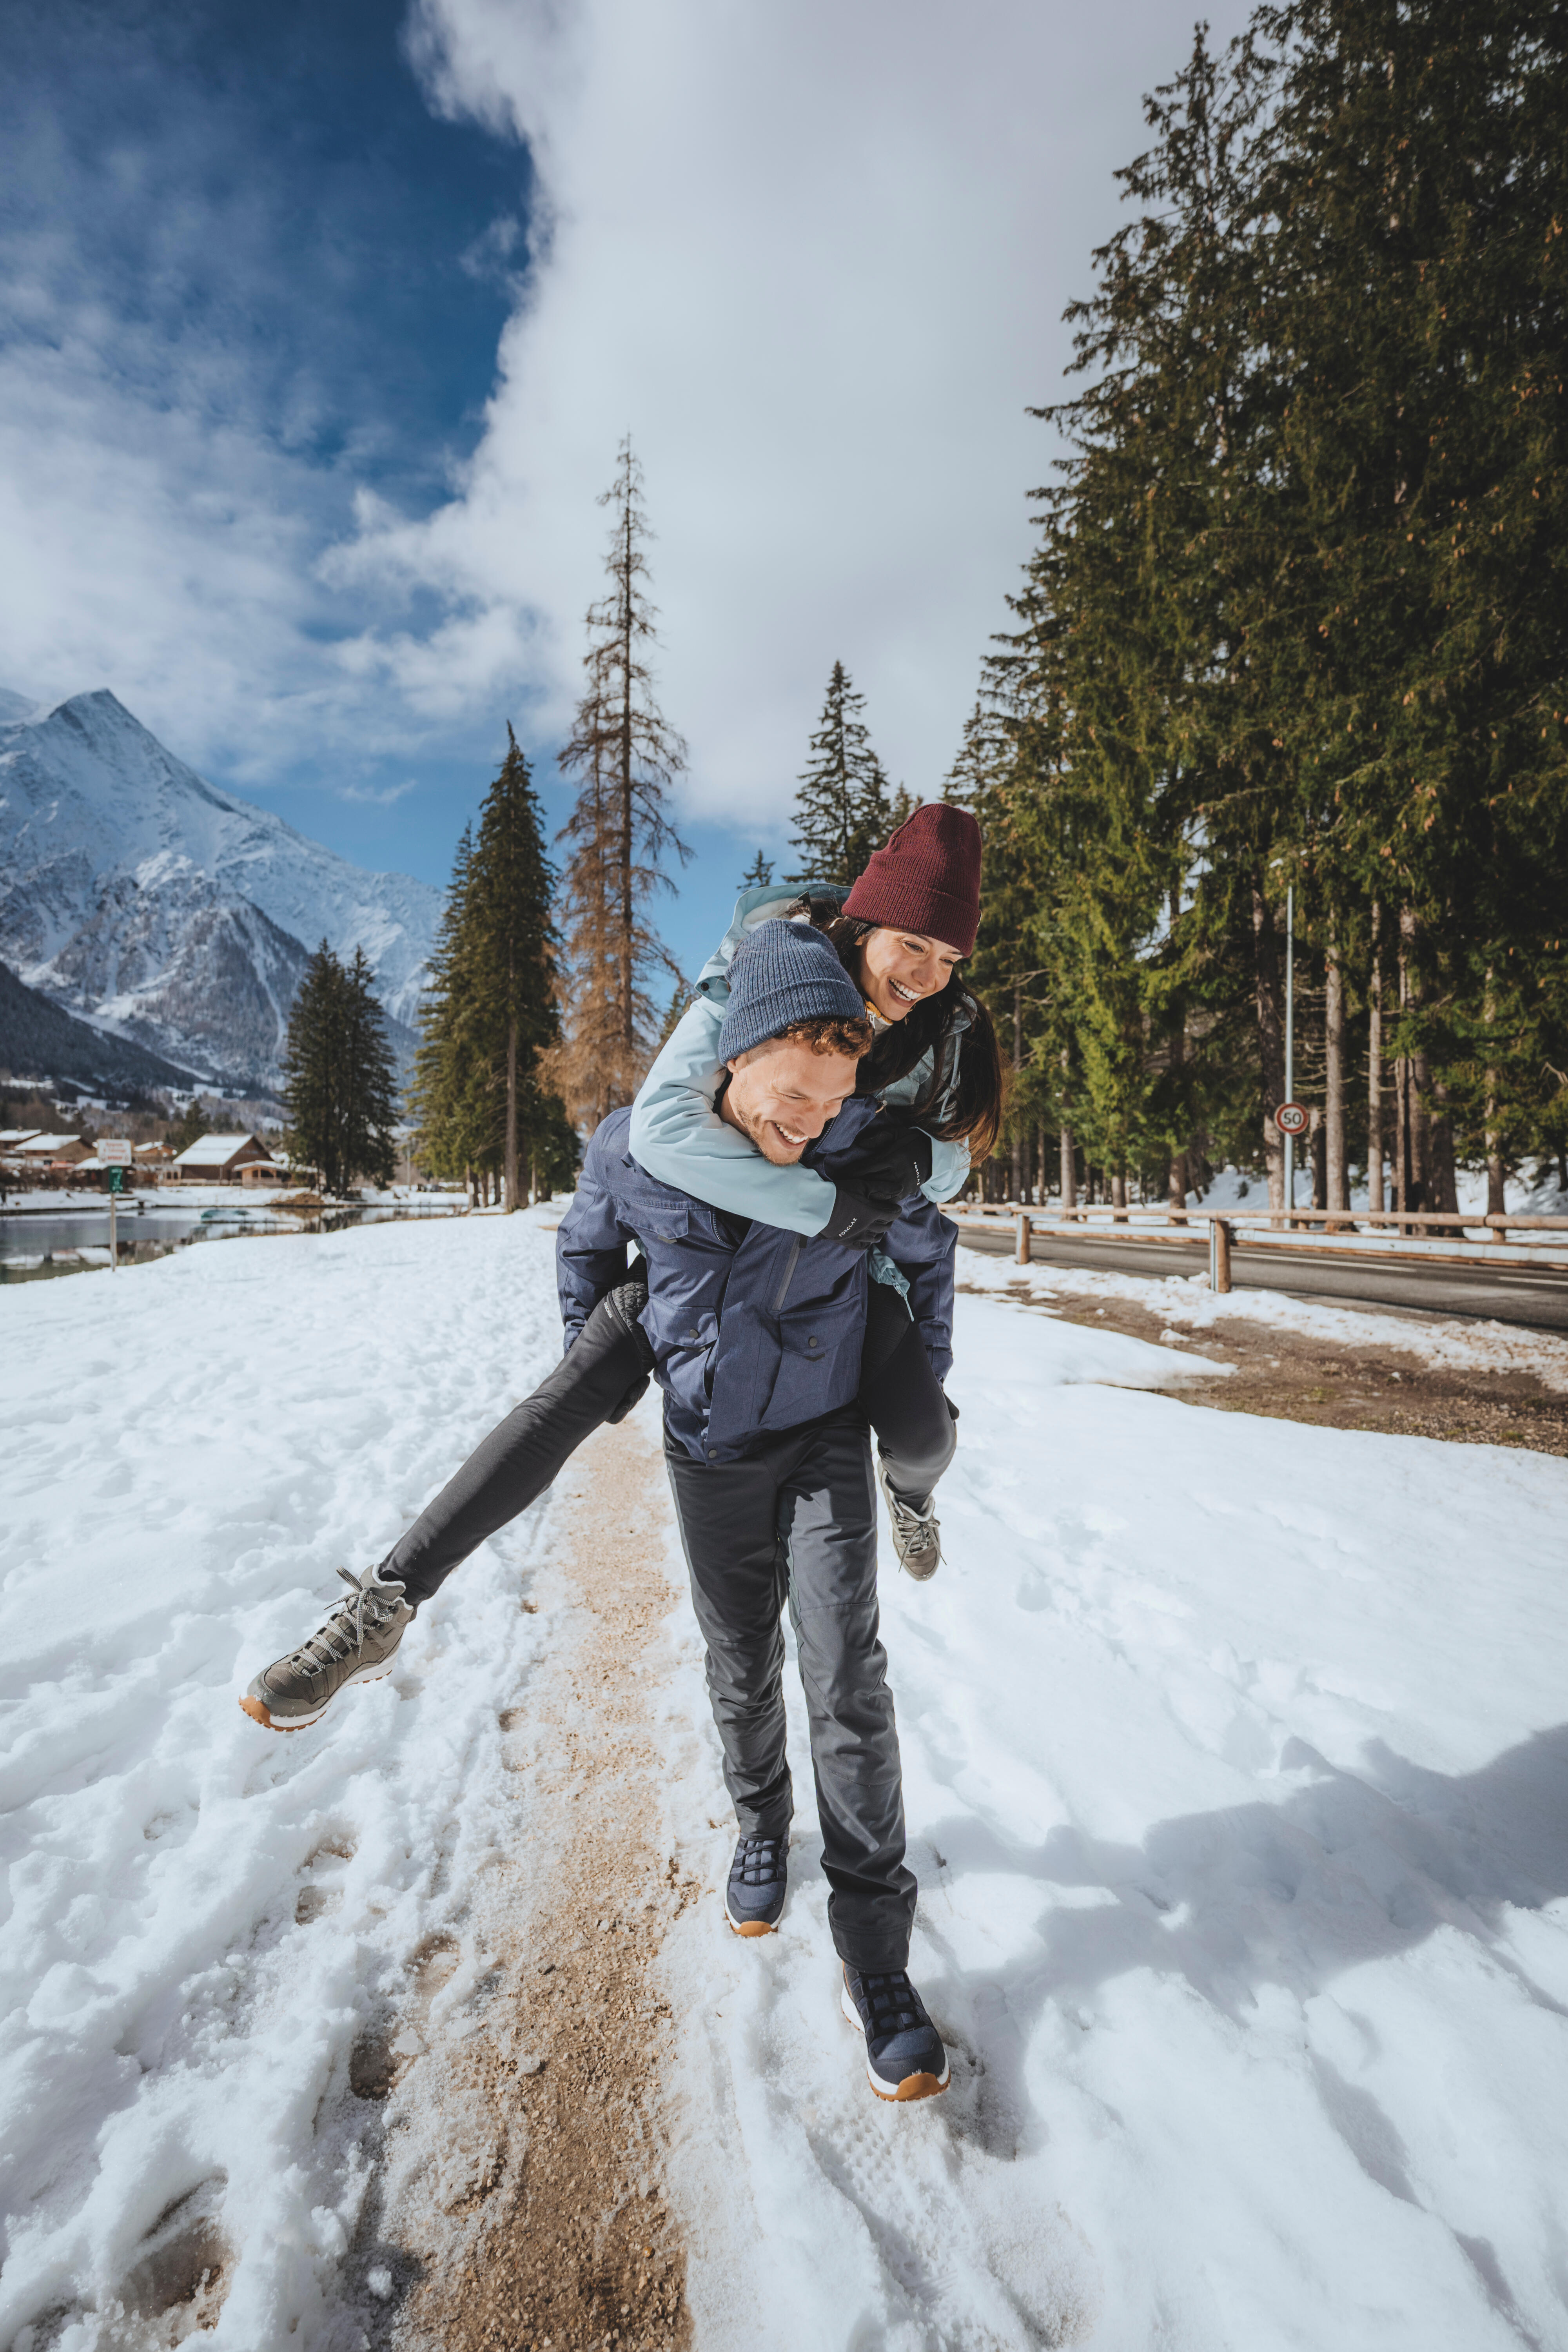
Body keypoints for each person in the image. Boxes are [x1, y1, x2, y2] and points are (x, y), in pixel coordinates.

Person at [240, 804, 999, 1722]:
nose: (926, 975)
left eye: (948, 957)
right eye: (912, 945)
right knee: (564, 1394)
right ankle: (387, 1601)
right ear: (866, 920)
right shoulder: (765, 967)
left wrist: (917, 1163)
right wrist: (593, 1341)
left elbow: (954, 1169)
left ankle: (913, 1498)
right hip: (707, 1267)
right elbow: (654, 1137)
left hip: (833, 1286)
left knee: (925, 1433)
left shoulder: (944, 1030)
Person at [558, 918, 956, 2101]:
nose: (810, 1129)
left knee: (845, 1676)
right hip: (712, 1448)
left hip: (827, 1434)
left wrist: (916, 1387)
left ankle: (877, 1956)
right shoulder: (639, 1146)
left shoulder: (857, 1146)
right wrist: (608, 1364)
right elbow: (586, 1246)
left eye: (830, 1107)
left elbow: (929, 1257)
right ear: (727, 1060)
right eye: (790, 1101)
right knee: (740, 1665)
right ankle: (759, 1829)